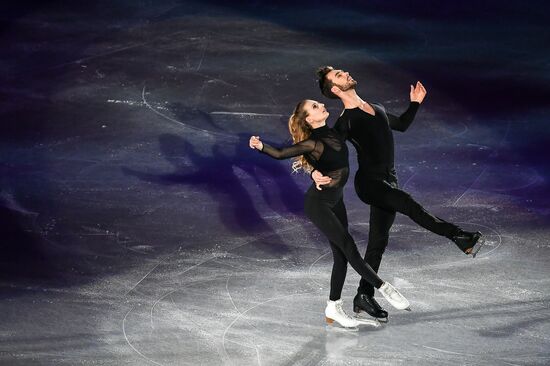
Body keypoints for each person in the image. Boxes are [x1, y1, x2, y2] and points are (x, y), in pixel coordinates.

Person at [312, 66, 485, 322]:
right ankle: (460, 237)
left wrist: (414, 104)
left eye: (342, 71)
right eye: (338, 75)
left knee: (378, 243)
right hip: (370, 184)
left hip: (388, 180)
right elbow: (326, 151)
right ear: (335, 90)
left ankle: (363, 296)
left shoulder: (377, 107)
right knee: (409, 204)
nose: (345, 73)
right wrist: (315, 172)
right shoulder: (345, 122)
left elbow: (401, 125)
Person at [249, 99, 411, 330]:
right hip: (318, 204)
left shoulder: (335, 132)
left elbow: (355, 126)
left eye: (318, 103)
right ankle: (385, 288)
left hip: (335, 200)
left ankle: (333, 307)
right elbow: (281, 153)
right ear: (309, 120)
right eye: (314, 107)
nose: (321, 105)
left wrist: (314, 170)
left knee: (341, 256)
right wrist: (260, 145)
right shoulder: (313, 143)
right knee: (349, 246)